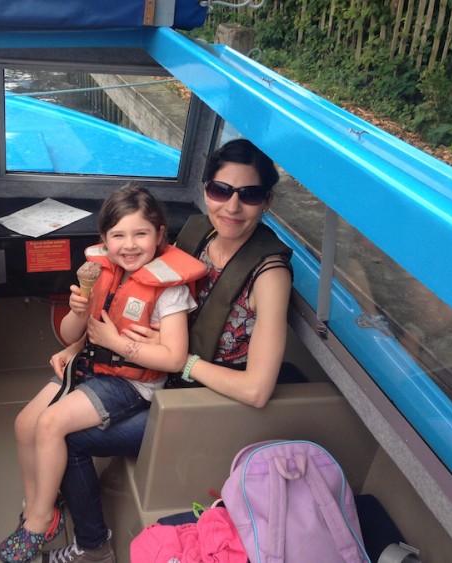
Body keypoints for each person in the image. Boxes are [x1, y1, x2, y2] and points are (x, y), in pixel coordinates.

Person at [43, 139, 294, 563]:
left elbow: (256, 390)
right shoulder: (200, 237)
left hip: (200, 401)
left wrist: (183, 362)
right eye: (220, 191)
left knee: (68, 435)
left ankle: (92, 545)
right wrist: (82, 345)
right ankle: (61, 496)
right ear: (205, 190)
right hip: (156, 373)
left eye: (248, 195)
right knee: (54, 400)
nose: (231, 206)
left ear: (266, 201)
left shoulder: (269, 276)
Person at [0, 184, 207, 563]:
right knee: (25, 423)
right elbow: (70, 336)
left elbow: (175, 359)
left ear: (160, 235)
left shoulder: (170, 292)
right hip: (92, 365)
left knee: (50, 425)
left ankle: (40, 520)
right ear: (104, 239)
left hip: (131, 384)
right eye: (118, 235)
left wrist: (116, 340)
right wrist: (79, 313)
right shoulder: (103, 274)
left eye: (141, 233)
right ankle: (39, 507)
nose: (129, 245)